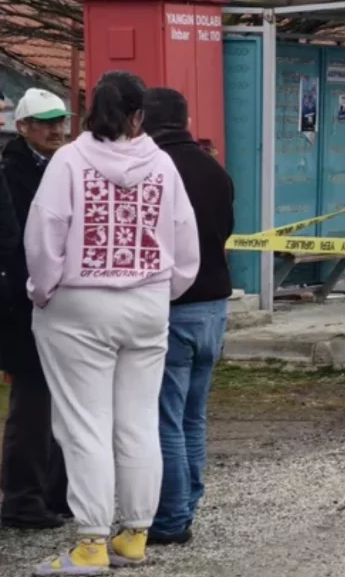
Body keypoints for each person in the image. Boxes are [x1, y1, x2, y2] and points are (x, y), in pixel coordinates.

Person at [26, 71, 200, 575]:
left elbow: (44, 235)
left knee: (85, 425)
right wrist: (164, 290)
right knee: (139, 422)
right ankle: (135, 534)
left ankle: (90, 542)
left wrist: (44, 291)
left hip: (79, 304)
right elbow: (185, 240)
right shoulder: (163, 164)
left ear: (88, 109)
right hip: (147, 302)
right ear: (139, 114)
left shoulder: (68, 161)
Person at [141, 88, 235, 545]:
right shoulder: (213, 169)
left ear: (141, 121)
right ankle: (189, 503)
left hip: (173, 306)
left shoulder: (152, 169)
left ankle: (171, 518)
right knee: (194, 416)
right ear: (187, 119)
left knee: (165, 418)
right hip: (215, 305)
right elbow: (226, 228)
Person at [1, 88, 72, 530]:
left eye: (60, 120)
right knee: (32, 403)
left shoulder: (62, 166)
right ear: (23, 126)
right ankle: (22, 498)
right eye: (45, 122)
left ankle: (54, 493)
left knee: (62, 402)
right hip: (24, 304)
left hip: (60, 300)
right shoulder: (12, 172)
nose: (56, 129)